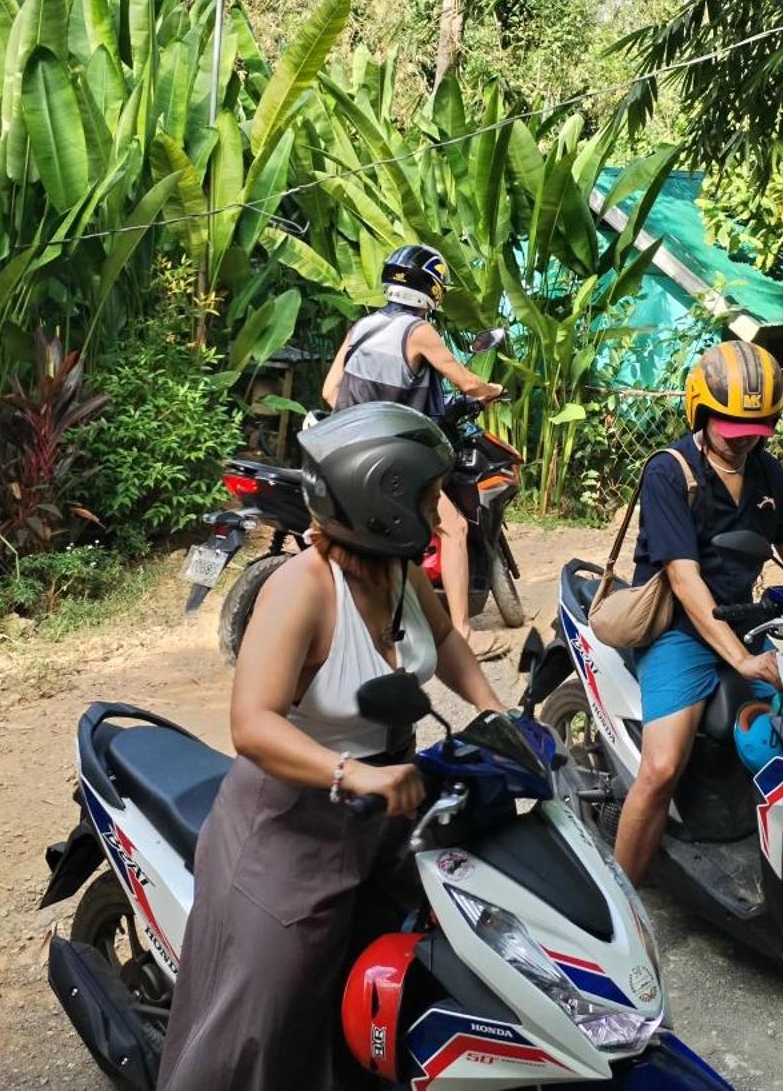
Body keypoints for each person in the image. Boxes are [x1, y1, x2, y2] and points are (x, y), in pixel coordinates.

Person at [156, 402, 507, 1091]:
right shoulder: (302, 589)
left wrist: (499, 714)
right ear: (385, 504)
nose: (442, 514)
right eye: (430, 496)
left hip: (390, 812)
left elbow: (446, 642)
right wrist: (354, 774)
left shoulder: (399, 574)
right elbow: (252, 725)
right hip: (290, 823)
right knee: (262, 1026)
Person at [611, 340, 783, 883]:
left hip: (748, 623)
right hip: (677, 631)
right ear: (701, 412)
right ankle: (621, 900)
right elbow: (683, 578)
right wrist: (740, 659)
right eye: (734, 429)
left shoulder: (768, 474)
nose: (745, 441)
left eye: (758, 430)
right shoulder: (670, 471)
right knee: (661, 768)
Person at [322, 243, 507, 658]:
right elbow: (467, 383)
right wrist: (492, 389)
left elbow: (330, 390)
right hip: (390, 459)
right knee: (454, 529)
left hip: (345, 452)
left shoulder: (362, 328)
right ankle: (462, 634)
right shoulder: (418, 331)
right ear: (432, 288)